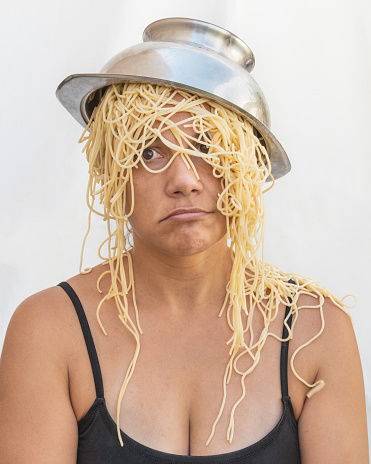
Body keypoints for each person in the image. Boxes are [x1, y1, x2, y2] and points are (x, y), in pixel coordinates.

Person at [0, 18, 368, 464]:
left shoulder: (315, 331)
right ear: (112, 171)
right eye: (148, 152)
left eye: (209, 147)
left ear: (248, 169)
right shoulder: (50, 330)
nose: (184, 179)